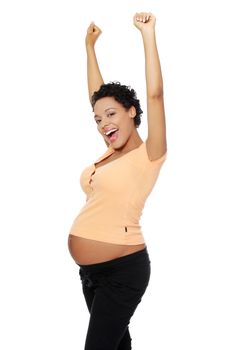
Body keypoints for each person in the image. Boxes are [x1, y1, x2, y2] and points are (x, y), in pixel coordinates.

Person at [68, 11, 167, 350]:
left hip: (124, 271)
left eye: (112, 115)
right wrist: (89, 48)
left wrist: (148, 34)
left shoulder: (149, 154)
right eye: (98, 120)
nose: (103, 124)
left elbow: (155, 95)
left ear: (132, 112)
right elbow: (97, 98)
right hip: (91, 275)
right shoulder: (109, 152)